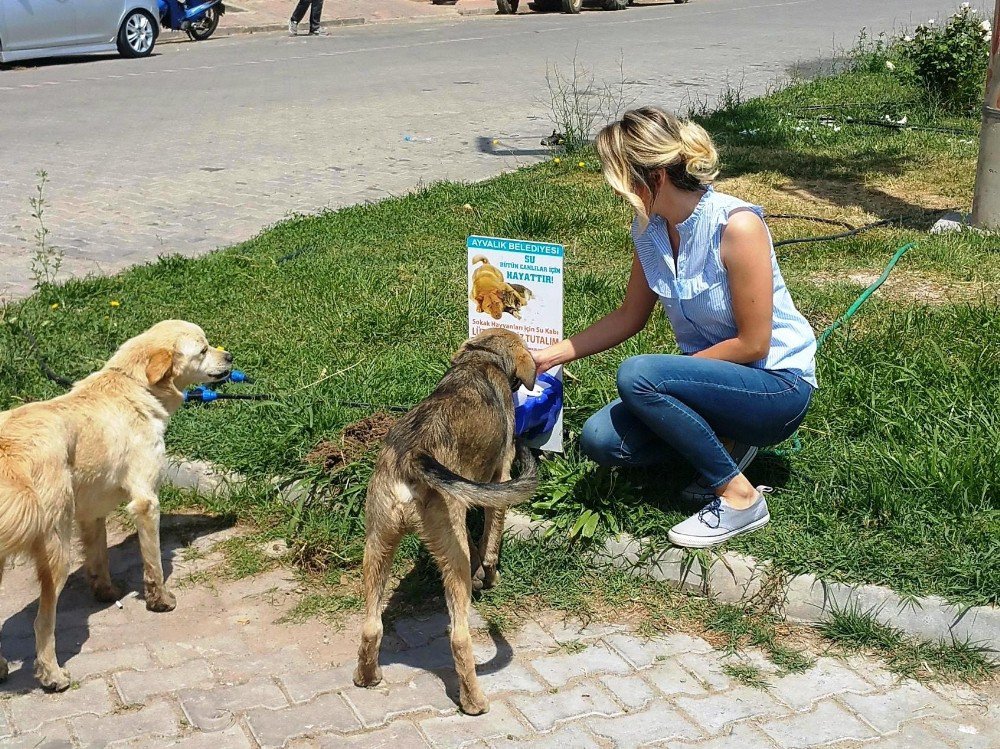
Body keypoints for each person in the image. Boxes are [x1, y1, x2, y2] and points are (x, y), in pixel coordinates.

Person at [532, 106, 817, 548]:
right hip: (707, 381)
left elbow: (754, 342)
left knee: (638, 376)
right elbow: (630, 316)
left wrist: (666, 381)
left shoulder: (737, 225)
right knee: (600, 441)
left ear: (655, 178)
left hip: (775, 386)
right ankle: (723, 440)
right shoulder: (649, 230)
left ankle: (739, 497)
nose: (617, 192)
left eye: (621, 180)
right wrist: (550, 356)